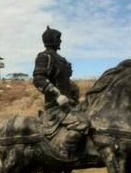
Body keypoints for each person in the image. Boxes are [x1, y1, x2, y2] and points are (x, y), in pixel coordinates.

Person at [32, 26, 89, 159]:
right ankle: (63, 152)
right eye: (58, 38)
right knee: (83, 123)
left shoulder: (61, 60)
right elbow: (38, 79)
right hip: (55, 107)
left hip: (69, 106)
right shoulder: (44, 57)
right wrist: (56, 94)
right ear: (51, 40)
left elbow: (67, 83)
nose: (61, 41)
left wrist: (77, 97)